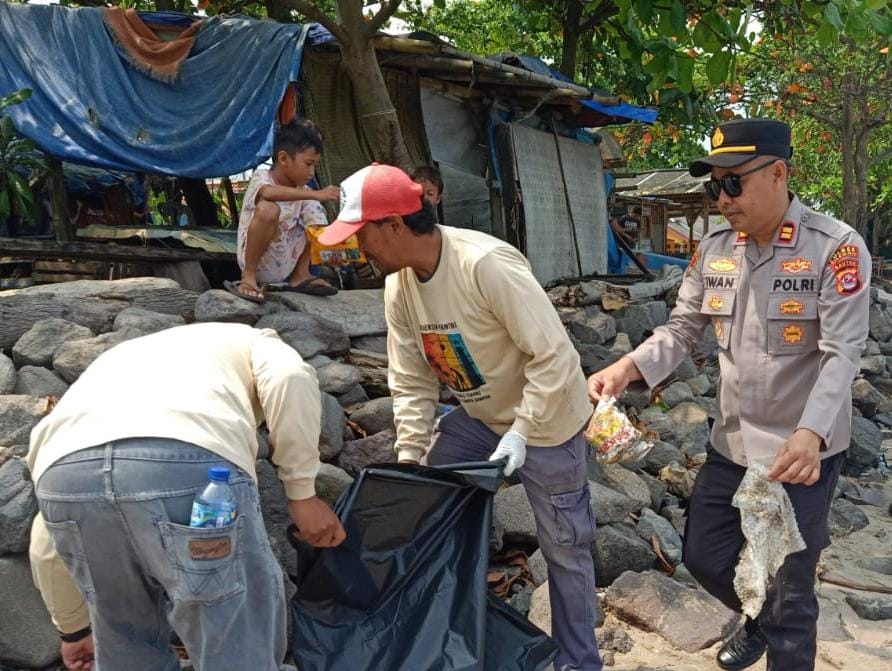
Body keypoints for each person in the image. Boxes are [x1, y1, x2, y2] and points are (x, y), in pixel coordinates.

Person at [588, 118, 870, 671]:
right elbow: (682, 330)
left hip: (799, 452)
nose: (722, 198)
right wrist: (628, 367)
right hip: (733, 441)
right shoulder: (715, 248)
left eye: (733, 183)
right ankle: (758, 617)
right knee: (703, 556)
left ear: (778, 173)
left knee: (790, 596)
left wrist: (811, 433)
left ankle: (777, 627)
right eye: (714, 185)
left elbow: (842, 353)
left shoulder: (835, 248)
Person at [318, 164, 603, 671]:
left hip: (548, 421)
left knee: (565, 548)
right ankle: (448, 643)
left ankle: (579, 663)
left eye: (362, 234)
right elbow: (411, 379)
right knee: (426, 511)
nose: (359, 249)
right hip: (479, 419)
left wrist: (522, 432)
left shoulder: (483, 264)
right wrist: (410, 461)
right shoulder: (400, 285)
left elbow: (555, 357)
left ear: (394, 225)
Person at [28, 322, 346, 671]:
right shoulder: (255, 340)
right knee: (232, 632)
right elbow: (289, 376)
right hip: (185, 459)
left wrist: (74, 631)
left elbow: (46, 538)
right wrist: (302, 493)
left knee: (123, 638)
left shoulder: (120, 359)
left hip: (62, 471)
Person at [226, 118, 340, 303]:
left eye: (315, 166)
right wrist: (317, 194)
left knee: (314, 208)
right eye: (308, 164)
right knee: (268, 209)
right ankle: (248, 277)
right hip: (259, 263)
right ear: (284, 158)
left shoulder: (305, 193)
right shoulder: (262, 177)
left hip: (286, 262)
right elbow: (268, 193)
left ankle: (301, 274)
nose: (312, 172)